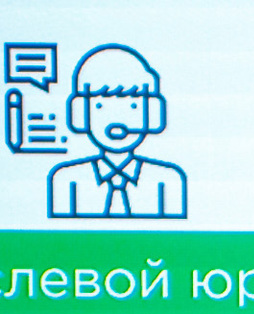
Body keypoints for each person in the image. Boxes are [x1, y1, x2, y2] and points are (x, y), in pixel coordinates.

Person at [47, 44, 187, 219]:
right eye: (100, 106)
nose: (117, 118)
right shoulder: (68, 180)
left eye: (133, 106)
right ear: (81, 114)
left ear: (152, 113)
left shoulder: (166, 180)